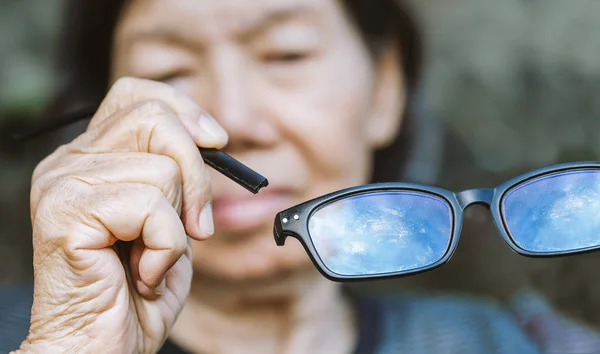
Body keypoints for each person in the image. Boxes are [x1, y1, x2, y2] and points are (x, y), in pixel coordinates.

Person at [1, 0, 600, 353]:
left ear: (384, 89)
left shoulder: (514, 342)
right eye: (169, 70)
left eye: (286, 55)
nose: (231, 119)